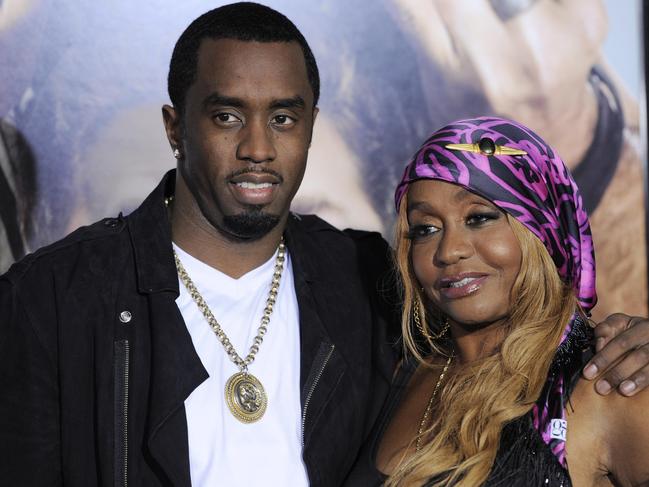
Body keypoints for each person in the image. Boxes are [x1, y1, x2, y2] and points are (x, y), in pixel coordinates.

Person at [0, 4, 647, 486]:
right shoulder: (45, 303)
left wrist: (579, 134)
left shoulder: (365, 292)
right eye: (224, 116)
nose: (255, 150)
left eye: (283, 119)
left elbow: (530, 314)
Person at [345, 116, 649, 486]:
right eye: (426, 228)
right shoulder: (403, 372)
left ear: (543, 229)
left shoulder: (608, 383)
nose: (449, 250)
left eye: (479, 217)